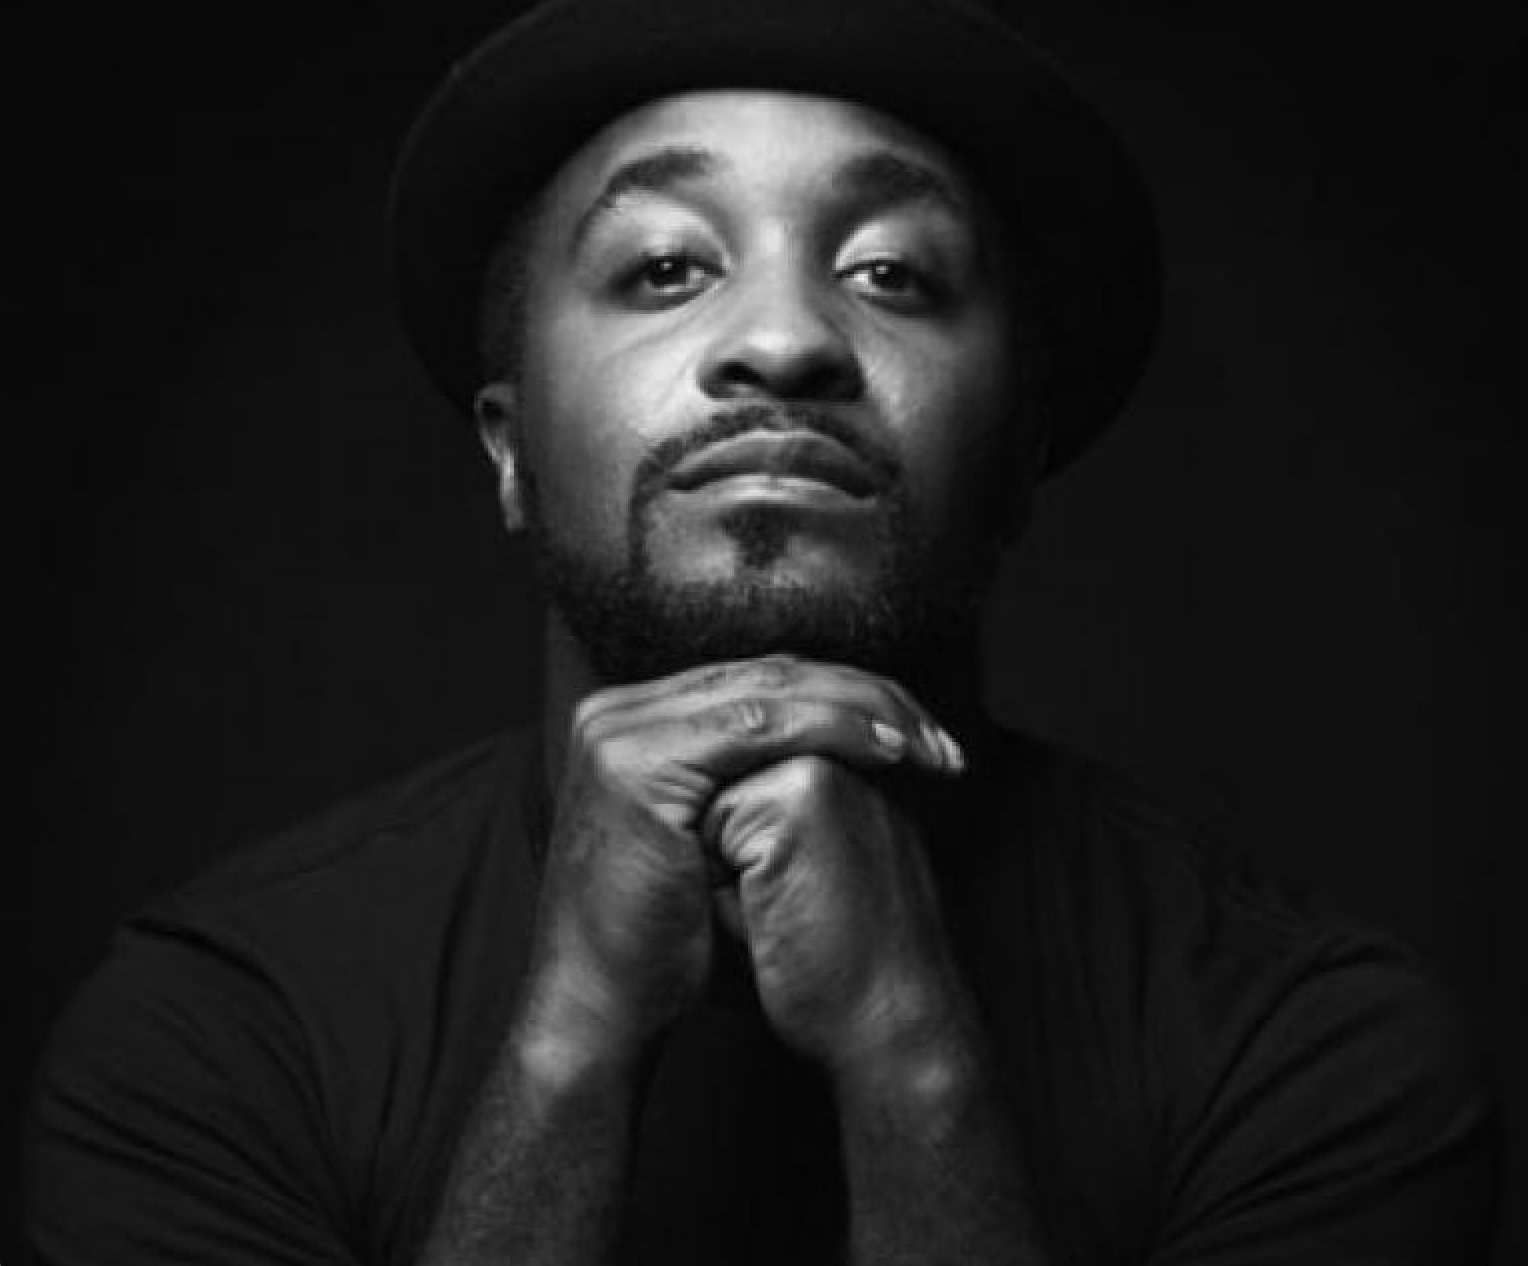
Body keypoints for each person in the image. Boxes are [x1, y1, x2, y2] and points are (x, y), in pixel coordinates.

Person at [25, 0, 1500, 1262]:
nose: (784, 340)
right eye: (667, 266)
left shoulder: (1310, 1053)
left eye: (891, 274)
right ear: (510, 450)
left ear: (1021, 452)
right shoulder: (216, 1041)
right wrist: (566, 1049)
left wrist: (915, 1064)